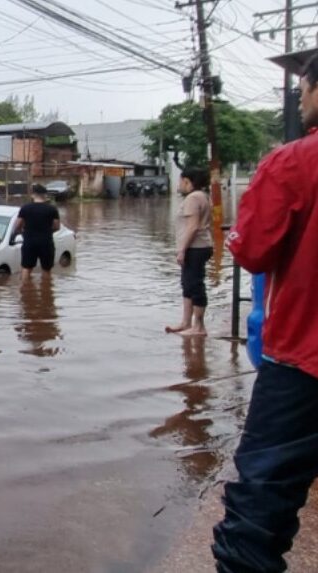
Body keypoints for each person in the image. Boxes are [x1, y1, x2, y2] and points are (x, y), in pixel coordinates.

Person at [211, 54, 318, 573]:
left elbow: (251, 250)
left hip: (303, 364)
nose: (300, 98)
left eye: (303, 88)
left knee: (257, 513)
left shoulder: (294, 161)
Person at [165, 167, 214, 337]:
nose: (179, 184)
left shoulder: (193, 198)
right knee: (187, 284)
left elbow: (192, 227)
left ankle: (199, 327)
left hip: (195, 247)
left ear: (187, 181)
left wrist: (182, 250)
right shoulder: (202, 196)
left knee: (195, 285)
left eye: (180, 181)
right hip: (198, 247)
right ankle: (186, 322)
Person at [14, 184, 60, 281]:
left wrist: (22, 233)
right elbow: (57, 227)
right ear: (45, 195)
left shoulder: (25, 208)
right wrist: (47, 232)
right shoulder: (52, 209)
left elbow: (17, 226)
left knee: (26, 268)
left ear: (33, 194)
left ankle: (25, 292)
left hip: (29, 242)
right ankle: (46, 293)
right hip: (46, 243)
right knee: (46, 269)